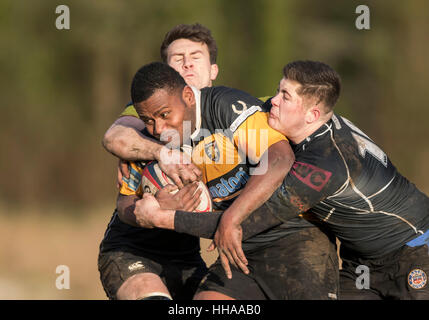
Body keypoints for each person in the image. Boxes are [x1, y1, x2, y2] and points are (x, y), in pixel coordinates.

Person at [137, 60, 429, 299]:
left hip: (415, 251)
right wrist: (131, 144)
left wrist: (160, 218)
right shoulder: (314, 127)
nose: (272, 101)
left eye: (285, 97)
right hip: (360, 264)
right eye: (278, 91)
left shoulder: (325, 165)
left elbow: (248, 222)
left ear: (312, 114)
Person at [127, 61, 339, 300]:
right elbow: (125, 203)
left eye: (165, 115)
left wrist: (231, 217)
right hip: (239, 249)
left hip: (297, 241)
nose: (158, 128)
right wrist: (150, 209)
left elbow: (279, 158)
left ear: (187, 96)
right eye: (148, 120)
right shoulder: (148, 143)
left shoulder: (225, 106)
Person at [98, 23, 220, 300]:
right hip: (132, 251)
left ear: (213, 70)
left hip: (188, 258)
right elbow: (115, 138)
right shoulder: (147, 127)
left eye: (195, 57)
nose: (187, 64)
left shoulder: (234, 118)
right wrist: (158, 153)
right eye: (178, 59)